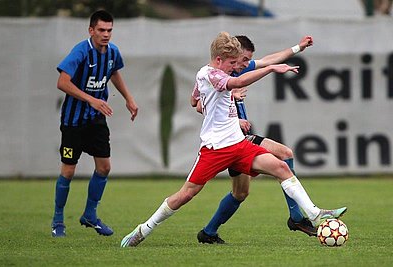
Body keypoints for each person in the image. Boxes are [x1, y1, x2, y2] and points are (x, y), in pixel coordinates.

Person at [120, 31, 346, 247]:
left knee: (281, 167)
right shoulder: (210, 74)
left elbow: (196, 99)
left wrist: (221, 100)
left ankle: (314, 214)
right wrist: (269, 71)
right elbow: (228, 86)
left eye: (240, 62)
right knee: (186, 195)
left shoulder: (218, 74)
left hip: (238, 144)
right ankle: (143, 229)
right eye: (233, 63)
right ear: (219, 60)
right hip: (215, 149)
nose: (237, 67)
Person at [194, 35, 317, 244]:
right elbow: (198, 105)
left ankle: (208, 232)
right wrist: (235, 106)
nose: (245, 64)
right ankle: (296, 217)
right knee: (285, 154)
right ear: (230, 56)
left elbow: (270, 60)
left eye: (247, 60)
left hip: (239, 140)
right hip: (231, 140)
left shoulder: (238, 69)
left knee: (240, 193)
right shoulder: (219, 74)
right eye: (243, 60)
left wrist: (298, 47)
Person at [51, 10, 138, 237]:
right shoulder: (81, 51)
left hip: (96, 120)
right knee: (68, 171)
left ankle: (90, 215)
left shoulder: (112, 52)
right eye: (101, 30)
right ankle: (58, 220)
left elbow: (114, 72)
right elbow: (62, 82)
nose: (106, 34)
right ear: (91, 30)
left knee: (104, 167)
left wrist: (129, 98)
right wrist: (92, 99)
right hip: (73, 121)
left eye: (109, 30)